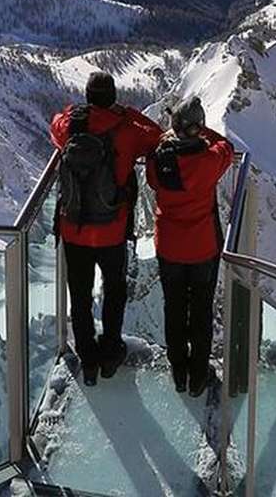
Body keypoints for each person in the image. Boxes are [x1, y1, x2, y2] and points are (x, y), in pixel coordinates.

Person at [50, 70, 163, 386]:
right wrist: (125, 112)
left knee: (80, 296)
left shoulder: (70, 127)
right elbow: (156, 135)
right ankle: (111, 353)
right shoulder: (126, 130)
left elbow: (55, 123)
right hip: (112, 230)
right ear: (113, 98)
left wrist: (77, 112)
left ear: (87, 97)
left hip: (74, 229)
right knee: (114, 292)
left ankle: (88, 360)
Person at [146, 96, 234, 397]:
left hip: (169, 247)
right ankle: (198, 376)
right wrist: (202, 132)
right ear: (198, 128)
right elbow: (226, 147)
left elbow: (152, 180)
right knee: (200, 312)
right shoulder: (210, 161)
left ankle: (178, 371)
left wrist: (175, 135)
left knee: (174, 308)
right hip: (202, 249)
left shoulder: (159, 159)